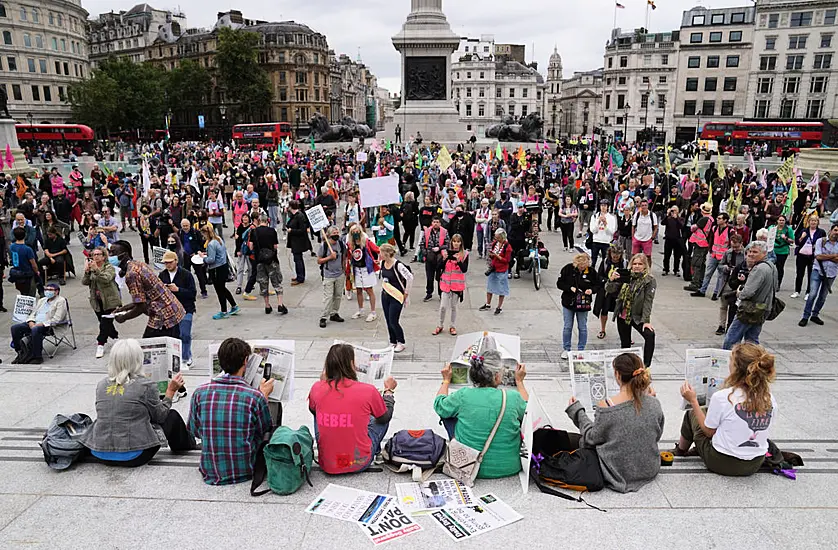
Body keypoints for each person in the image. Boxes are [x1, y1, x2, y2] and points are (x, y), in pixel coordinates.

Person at [79, 339, 196, 467]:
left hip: (99, 451)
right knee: (172, 416)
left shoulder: (101, 385)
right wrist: (170, 392)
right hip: (135, 456)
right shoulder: (145, 385)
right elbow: (161, 416)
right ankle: (188, 445)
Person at [565, 352, 664, 493]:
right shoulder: (654, 403)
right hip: (649, 468)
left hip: (618, 472)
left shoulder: (607, 407)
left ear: (617, 375)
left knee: (572, 440)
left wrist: (577, 411)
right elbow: (656, 434)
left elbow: (591, 439)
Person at [677, 343, 776, 476]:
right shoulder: (770, 398)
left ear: (736, 368)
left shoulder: (724, 397)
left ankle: (681, 450)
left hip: (722, 462)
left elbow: (708, 432)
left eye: (731, 361)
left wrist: (693, 401)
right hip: (755, 463)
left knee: (693, 411)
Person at [188, 337, 274, 485]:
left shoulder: (199, 393)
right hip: (246, 469)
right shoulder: (255, 396)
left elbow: (195, 431)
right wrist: (264, 396)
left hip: (210, 469)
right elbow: (264, 430)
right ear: (246, 361)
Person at [435, 351, 528, 479]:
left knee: (449, 412)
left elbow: (439, 406)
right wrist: (519, 382)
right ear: (496, 377)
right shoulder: (512, 397)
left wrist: (446, 381)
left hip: (467, 466)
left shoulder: (463, 395)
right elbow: (529, 414)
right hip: (509, 466)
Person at [109, 240, 186, 341]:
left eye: (113, 253)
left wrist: (123, 317)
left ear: (124, 255)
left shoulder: (131, 274)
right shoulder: (138, 264)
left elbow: (141, 306)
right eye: (110, 252)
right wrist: (123, 309)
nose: (110, 256)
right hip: (171, 310)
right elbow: (142, 299)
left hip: (164, 317)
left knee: (149, 348)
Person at [723, 241, 778, 349]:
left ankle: (728, 360)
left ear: (764, 253)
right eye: (750, 251)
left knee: (731, 338)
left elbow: (748, 292)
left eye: (755, 252)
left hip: (750, 310)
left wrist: (739, 293)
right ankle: (753, 361)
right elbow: (775, 287)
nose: (751, 254)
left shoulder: (759, 269)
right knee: (752, 339)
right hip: (763, 308)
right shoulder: (772, 266)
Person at [607, 253, 657, 368]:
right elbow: (609, 290)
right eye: (634, 264)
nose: (637, 266)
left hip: (637, 316)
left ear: (645, 266)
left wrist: (646, 320)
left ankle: (646, 365)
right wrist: (611, 279)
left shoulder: (649, 280)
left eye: (640, 264)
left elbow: (648, 301)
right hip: (623, 314)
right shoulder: (626, 276)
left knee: (650, 335)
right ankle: (626, 367)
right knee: (625, 343)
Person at [556, 253, 601, 359]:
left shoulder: (591, 272)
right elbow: (559, 283)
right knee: (567, 326)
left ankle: (581, 350)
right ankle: (566, 349)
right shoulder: (568, 269)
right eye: (580, 266)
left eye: (584, 266)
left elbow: (598, 285)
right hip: (568, 302)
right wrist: (569, 288)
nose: (582, 268)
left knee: (582, 327)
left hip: (583, 304)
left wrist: (592, 290)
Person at [10, 282, 68, 364]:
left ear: (56, 291)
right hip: (35, 322)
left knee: (36, 330)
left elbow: (57, 319)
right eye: (46, 289)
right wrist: (30, 321)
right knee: (15, 328)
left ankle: (37, 356)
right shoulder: (42, 300)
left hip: (49, 326)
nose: (47, 291)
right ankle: (21, 352)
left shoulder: (61, 301)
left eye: (50, 290)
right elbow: (33, 313)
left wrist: (42, 324)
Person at [158, 250, 197, 367]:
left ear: (176, 261)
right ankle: (176, 357)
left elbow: (192, 293)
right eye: (165, 263)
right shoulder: (162, 275)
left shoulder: (186, 274)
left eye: (170, 262)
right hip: (169, 310)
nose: (168, 265)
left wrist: (178, 290)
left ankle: (186, 356)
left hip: (185, 308)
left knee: (185, 334)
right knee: (172, 335)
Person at [82, 247, 121, 359]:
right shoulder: (91, 268)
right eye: (94, 254)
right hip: (97, 301)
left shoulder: (109, 267)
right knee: (105, 323)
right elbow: (85, 282)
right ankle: (115, 337)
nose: (96, 256)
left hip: (110, 300)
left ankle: (100, 344)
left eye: (98, 254)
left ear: (104, 256)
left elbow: (106, 279)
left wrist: (96, 270)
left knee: (105, 323)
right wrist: (87, 272)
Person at [799, 223, 838, 327]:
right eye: (835, 230)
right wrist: (834, 256)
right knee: (812, 294)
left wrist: (826, 256)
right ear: (831, 230)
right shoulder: (821, 241)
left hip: (831, 273)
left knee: (823, 297)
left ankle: (815, 314)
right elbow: (818, 256)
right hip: (818, 270)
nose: (836, 233)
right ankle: (805, 316)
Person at [379, 243, 413, 353]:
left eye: (381, 253)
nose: (380, 255)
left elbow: (409, 277)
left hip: (396, 296)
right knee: (388, 320)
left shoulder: (398, 265)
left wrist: (406, 292)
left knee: (394, 320)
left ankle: (401, 341)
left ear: (386, 254)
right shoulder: (382, 263)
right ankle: (392, 341)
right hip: (385, 295)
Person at [200, 224, 239, 320]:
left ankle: (224, 311)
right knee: (223, 288)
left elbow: (211, 259)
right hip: (223, 266)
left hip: (216, 269)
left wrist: (203, 258)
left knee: (219, 290)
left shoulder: (211, 244)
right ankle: (234, 305)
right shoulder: (219, 239)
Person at [251, 214, 287, 315]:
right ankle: (280, 304)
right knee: (276, 282)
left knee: (263, 283)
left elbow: (251, 246)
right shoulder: (272, 231)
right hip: (272, 260)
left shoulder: (254, 231)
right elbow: (275, 246)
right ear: (268, 221)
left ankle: (267, 305)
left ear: (258, 221)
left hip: (260, 261)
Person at [434, 233, 469, 336]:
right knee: (443, 306)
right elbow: (438, 267)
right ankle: (440, 325)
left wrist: (459, 261)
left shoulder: (465, 254)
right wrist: (444, 259)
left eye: (458, 242)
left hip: (457, 285)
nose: (456, 244)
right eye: (454, 241)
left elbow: (464, 269)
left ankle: (452, 326)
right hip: (446, 284)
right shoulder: (445, 252)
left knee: (454, 306)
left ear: (461, 243)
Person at [692, 213, 731, 300]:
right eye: (717, 218)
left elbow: (730, 243)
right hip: (714, 254)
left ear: (725, 220)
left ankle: (716, 293)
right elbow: (711, 239)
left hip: (723, 256)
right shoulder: (715, 228)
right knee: (708, 273)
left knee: (720, 276)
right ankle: (702, 290)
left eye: (720, 218)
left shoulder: (730, 230)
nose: (718, 220)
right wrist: (710, 249)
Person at [346, 223, 379, 322]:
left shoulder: (366, 242)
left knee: (369, 290)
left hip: (366, 269)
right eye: (353, 232)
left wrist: (378, 260)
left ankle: (373, 312)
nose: (356, 233)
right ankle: (360, 310)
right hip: (356, 269)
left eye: (357, 231)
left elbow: (378, 250)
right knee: (359, 290)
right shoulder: (350, 244)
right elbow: (347, 256)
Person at [715, 233, 746, 335]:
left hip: (740, 284)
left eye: (736, 247)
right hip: (727, 282)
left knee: (736, 307)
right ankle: (721, 326)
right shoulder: (728, 253)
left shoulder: (746, 254)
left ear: (741, 244)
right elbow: (720, 266)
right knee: (723, 305)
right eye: (733, 246)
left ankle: (732, 326)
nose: (735, 249)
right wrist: (726, 268)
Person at [594, 244, 625, 340]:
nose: (615, 257)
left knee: (622, 313)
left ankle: (625, 334)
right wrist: (609, 280)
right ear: (610, 253)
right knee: (604, 311)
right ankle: (603, 330)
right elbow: (599, 277)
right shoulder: (605, 262)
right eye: (614, 254)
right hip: (606, 291)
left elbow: (627, 277)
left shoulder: (624, 263)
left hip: (619, 292)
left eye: (618, 255)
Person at [317, 225, 346, 328]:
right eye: (334, 234)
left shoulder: (341, 244)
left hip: (339, 274)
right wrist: (329, 257)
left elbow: (343, 257)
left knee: (338, 296)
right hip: (328, 275)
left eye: (337, 233)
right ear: (329, 235)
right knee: (328, 297)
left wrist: (344, 269)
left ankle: (334, 313)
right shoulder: (324, 246)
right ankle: (324, 317)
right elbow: (319, 260)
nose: (336, 235)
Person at [791, 213, 826, 299]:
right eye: (811, 221)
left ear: (817, 222)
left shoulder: (821, 232)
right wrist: (801, 238)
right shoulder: (803, 231)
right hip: (802, 255)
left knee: (811, 274)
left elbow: (824, 243)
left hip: (813, 256)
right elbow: (797, 242)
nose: (813, 222)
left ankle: (808, 292)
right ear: (808, 222)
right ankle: (797, 291)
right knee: (799, 274)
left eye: (815, 221)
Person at [480, 228, 513, 315]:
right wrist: (491, 255)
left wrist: (497, 256)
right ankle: (488, 304)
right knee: (490, 287)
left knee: (501, 289)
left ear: (502, 237)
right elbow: (492, 255)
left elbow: (506, 260)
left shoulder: (507, 247)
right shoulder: (495, 244)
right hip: (493, 268)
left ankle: (499, 307)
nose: (496, 239)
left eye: (498, 237)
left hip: (502, 270)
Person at [685, 203, 714, 292]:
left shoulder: (703, 219)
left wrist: (693, 227)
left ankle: (695, 283)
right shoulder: (711, 219)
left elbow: (693, 228)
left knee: (696, 263)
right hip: (704, 243)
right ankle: (699, 282)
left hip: (700, 243)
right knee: (701, 264)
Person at [421, 216, 448, 301]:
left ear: (440, 223)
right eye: (434, 222)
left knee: (440, 277)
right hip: (429, 256)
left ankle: (441, 294)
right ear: (431, 223)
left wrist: (439, 248)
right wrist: (425, 253)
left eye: (437, 222)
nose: (435, 223)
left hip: (440, 257)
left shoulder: (444, 232)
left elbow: (448, 244)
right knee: (429, 277)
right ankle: (429, 293)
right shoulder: (427, 232)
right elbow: (422, 244)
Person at [286, 199, 312, 285]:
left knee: (298, 260)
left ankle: (300, 277)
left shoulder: (300, 216)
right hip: (295, 241)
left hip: (299, 241)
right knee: (297, 259)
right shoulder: (294, 215)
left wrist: (292, 231)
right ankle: (299, 275)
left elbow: (302, 230)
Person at [9, 226, 39, 296]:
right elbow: (33, 263)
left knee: (22, 293)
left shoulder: (12, 246)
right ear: (25, 235)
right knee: (30, 295)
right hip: (27, 273)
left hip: (17, 273)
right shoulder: (27, 249)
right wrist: (36, 271)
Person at [768, 215, 794, 289]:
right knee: (770, 267)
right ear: (777, 221)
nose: (781, 222)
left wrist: (785, 238)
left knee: (779, 268)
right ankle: (769, 283)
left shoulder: (788, 229)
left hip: (783, 251)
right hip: (772, 250)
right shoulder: (772, 228)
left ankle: (778, 284)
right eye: (780, 220)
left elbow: (792, 240)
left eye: (783, 220)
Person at [590, 199, 617, 268]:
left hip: (606, 241)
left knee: (606, 261)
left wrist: (605, 224)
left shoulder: (611, 218)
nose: (603, 207)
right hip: (596, 241)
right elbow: (593, 230)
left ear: (608, 207)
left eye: (605, 205)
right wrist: (598, 222)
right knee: (593, 260)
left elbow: (611, 232)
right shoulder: (594, 216)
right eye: (601, 205)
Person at [631, 199, 658, 266]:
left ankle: (648, 271)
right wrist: (633, 237)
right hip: (637, 238)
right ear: (640, 206)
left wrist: (652, 237)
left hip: (647, 239)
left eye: (645, 205)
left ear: (648, 206)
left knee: (648, 257)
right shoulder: (637, 215)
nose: (644, 207)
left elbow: (655, 227)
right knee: (635, 256)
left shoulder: (652, 215)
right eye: (642, 205)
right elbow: (633, 226)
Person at [661, 205, 685, 277]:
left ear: (677, 211)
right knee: (666, 255)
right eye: (672, 210)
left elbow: (681, 226)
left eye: (675, 210)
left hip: (677, 239)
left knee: (677, 256)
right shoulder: (668, 218)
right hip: (668, 238)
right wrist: (667, 214)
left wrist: (676, 218)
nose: (673, 212)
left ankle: (676, 269)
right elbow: (662, 223)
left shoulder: (680, 218)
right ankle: (666, 269)